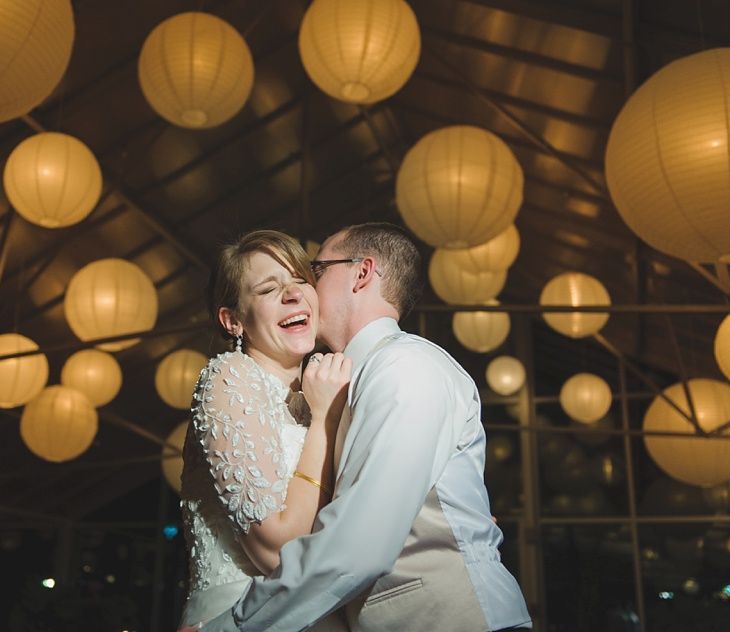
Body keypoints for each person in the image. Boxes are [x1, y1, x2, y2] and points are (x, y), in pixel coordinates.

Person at [188, 223, 531, 632]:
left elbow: (361, 542)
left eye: (311, 272)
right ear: (233, 320)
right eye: (268, 289)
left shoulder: (403, 368)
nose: (302, 290)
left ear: (362, 273)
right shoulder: (329, 387)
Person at [178, 230, 351, 628]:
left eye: (300, 280)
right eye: (270, 289)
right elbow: (277, 552)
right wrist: (325, 420)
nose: (293, 295)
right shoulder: (228, 378)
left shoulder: (319, 388)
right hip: (243, 616)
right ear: (234, 320)